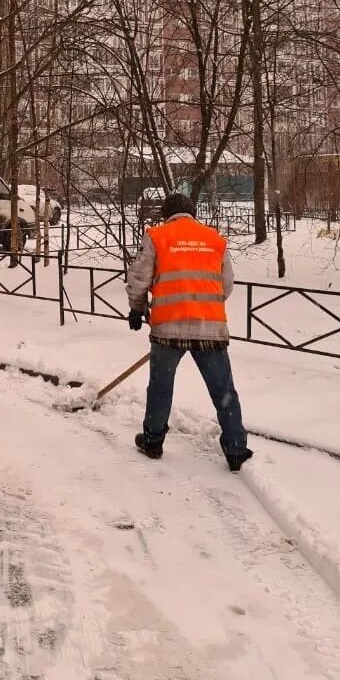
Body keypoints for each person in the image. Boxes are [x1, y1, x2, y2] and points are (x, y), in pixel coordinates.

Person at [125, 193, 253, 472]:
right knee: (223, 390)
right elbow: (226, 285)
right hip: (211, 327)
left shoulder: (158, 236)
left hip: (168, 329)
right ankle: (235, 449)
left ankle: (153, 440)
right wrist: (202, 303)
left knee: (160, 387)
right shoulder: (214, 239)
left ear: (166, 214)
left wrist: (137, 309)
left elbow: (138, 279)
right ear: (192, 213)